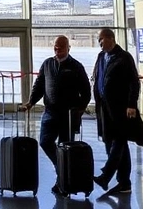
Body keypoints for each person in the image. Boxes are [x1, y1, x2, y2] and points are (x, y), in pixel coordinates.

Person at [18, 35, 92, 196]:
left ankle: (63, 181)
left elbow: (86, 91)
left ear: (68, 48)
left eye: (61, 48)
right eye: (55, 48)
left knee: (65, 147)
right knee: (45, 142)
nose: (57, 50)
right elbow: (39, 86)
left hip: (68, 115)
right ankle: (62, 169)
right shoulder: (47, 64)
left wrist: (80, 108)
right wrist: (30, 103)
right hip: (50, 112)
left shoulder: (76, 66)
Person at [92, 28, 140, 195]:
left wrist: (131, 105)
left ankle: (106, 175)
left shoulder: (124, 57)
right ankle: (124, 182)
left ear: (111, 38)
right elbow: (98, 77)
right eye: (98, 40)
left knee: (118, 142)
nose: (99, 43)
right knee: (111, 143)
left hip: (120, 108)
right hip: (104, 108)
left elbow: (134, 82)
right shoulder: (101, 57)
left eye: (101, 39)